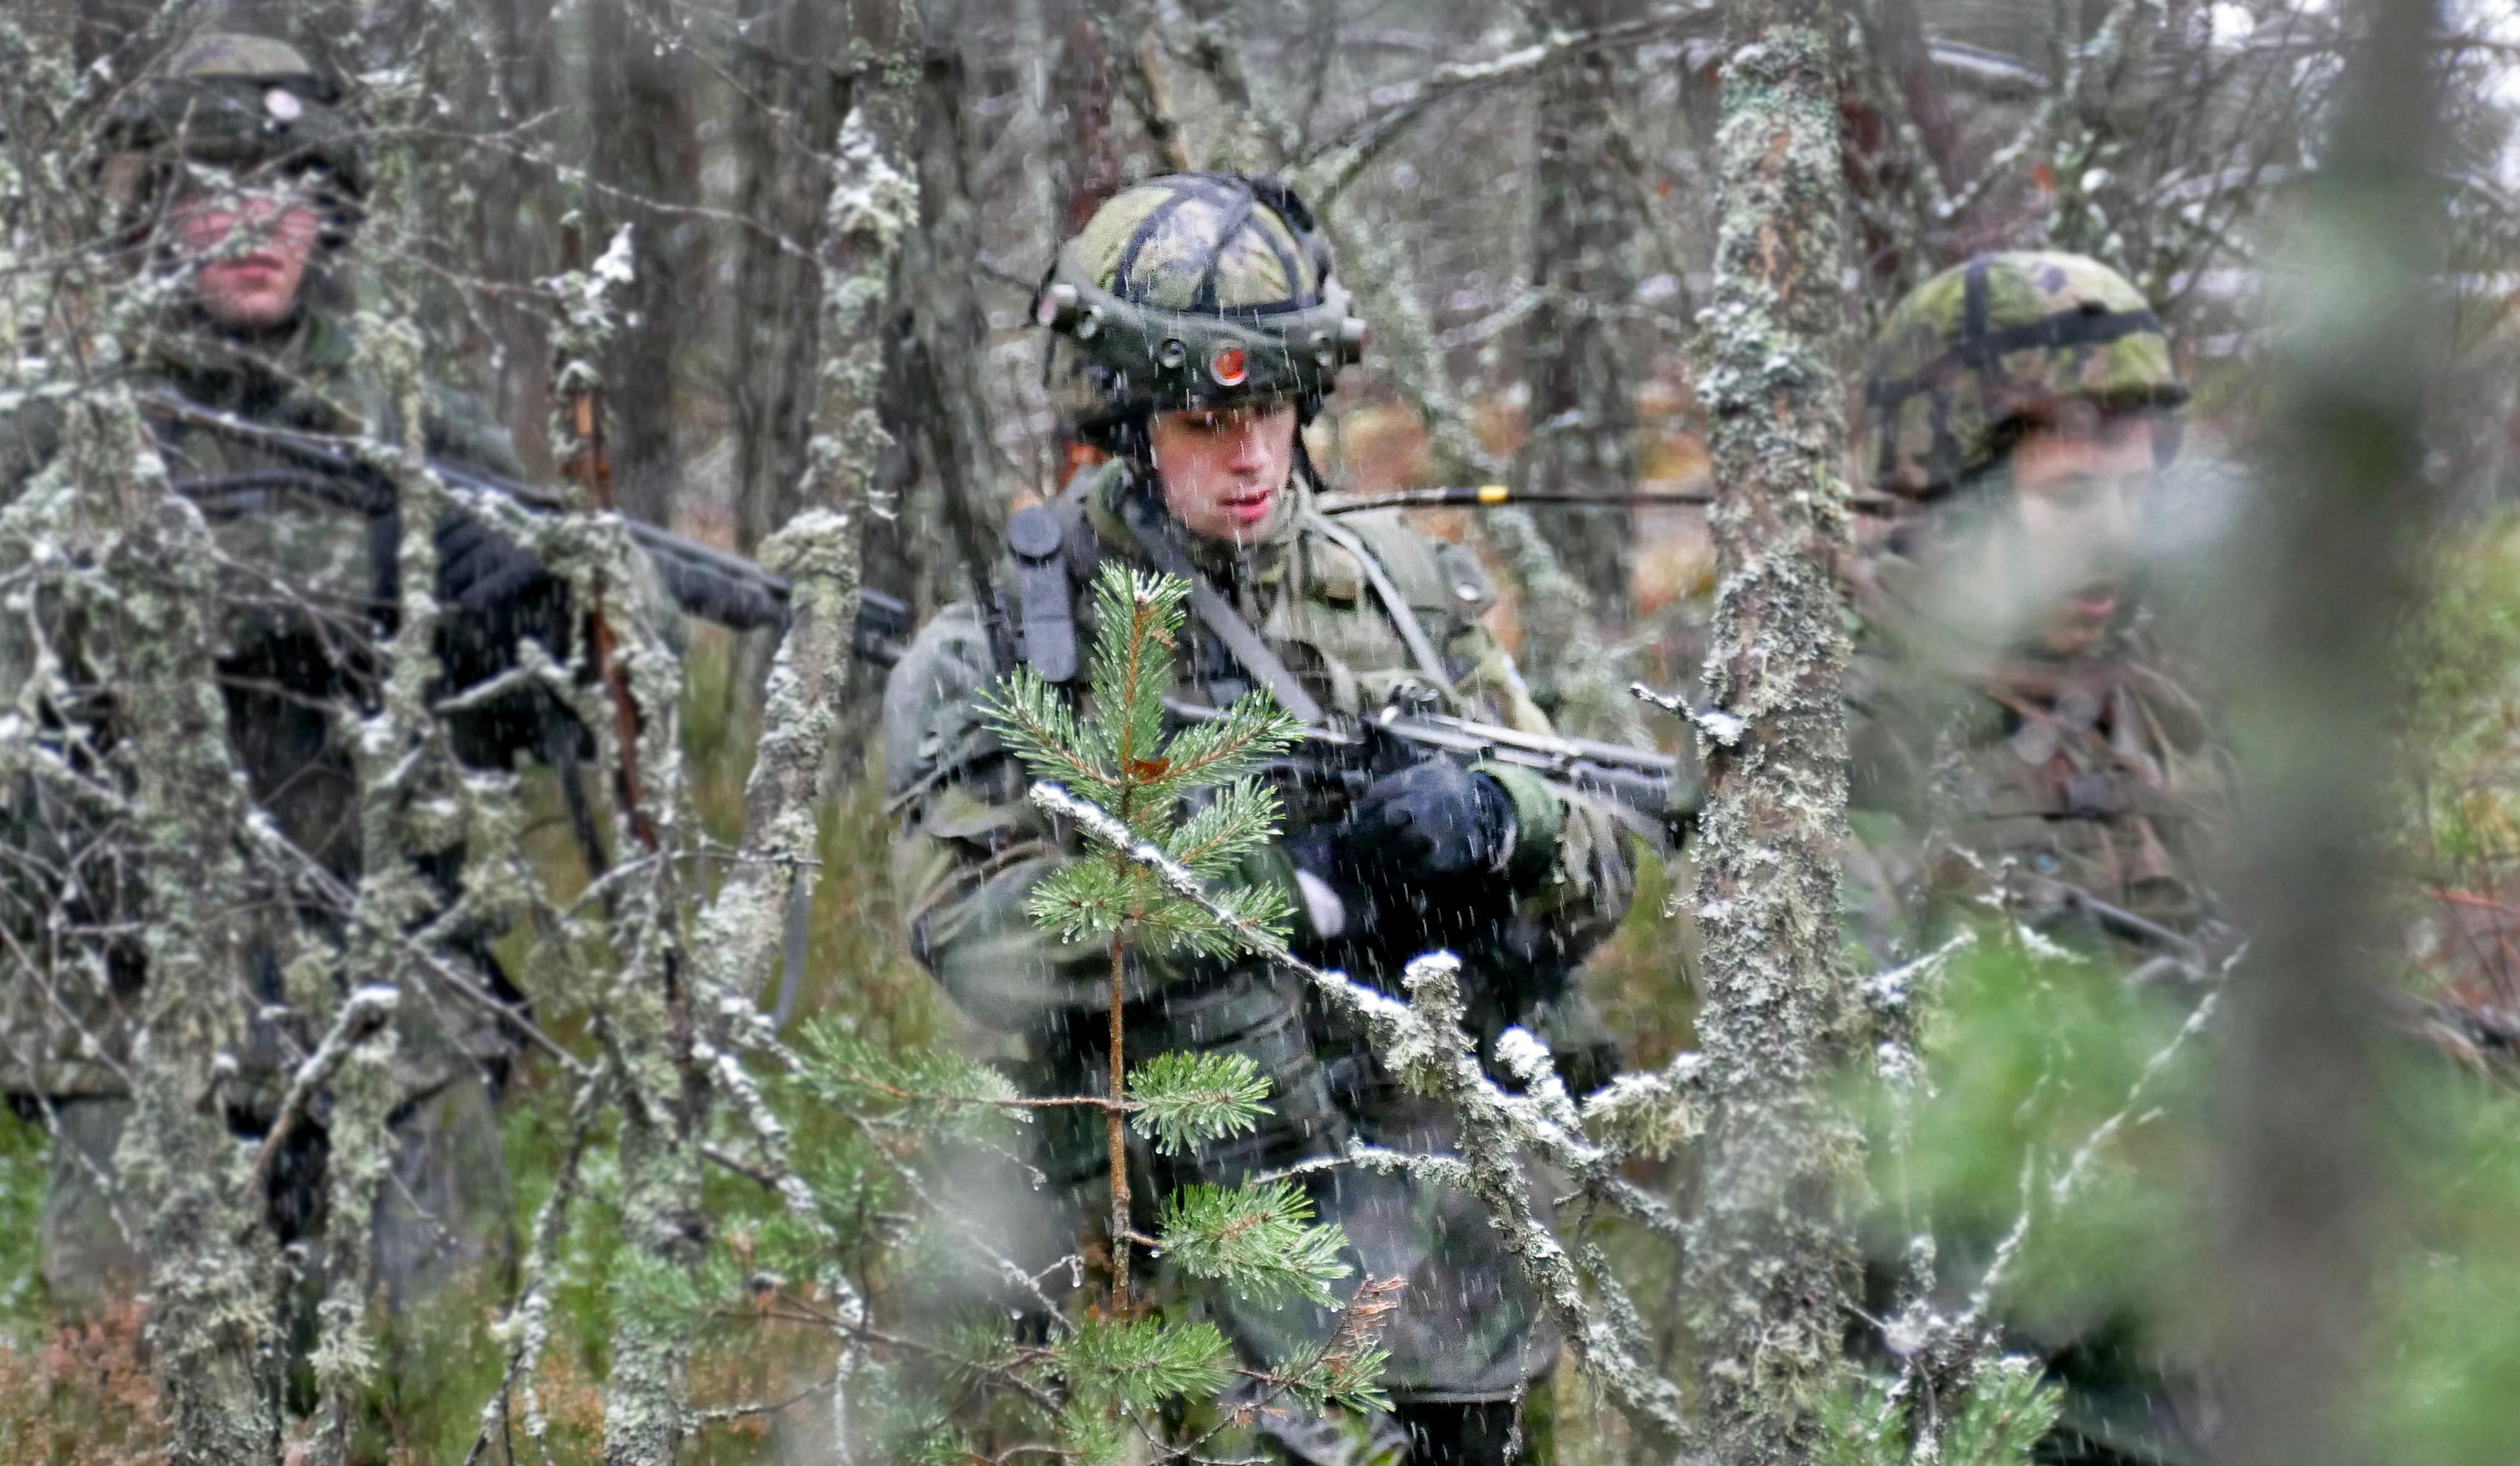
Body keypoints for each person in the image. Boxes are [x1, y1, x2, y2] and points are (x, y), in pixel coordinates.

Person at [882, 171, 1646, 1464]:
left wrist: (1500, 821)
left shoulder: (1399, 596)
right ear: (1125, 421)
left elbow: (1604, 847)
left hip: (1451, 1260)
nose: (1249, 457)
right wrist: (1293, 893)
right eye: (1202, 420)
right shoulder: (1005, 646)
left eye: (1274, 413)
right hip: (1170, 1276)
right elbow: (974, 932)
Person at [0, 32, 647, 1320]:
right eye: (212, 185)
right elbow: (83, 614)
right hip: (137, 1016)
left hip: (392, 1001)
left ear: (330, 208)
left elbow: (591, 673)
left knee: (442, 1377)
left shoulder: (413, 420)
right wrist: (357, 573)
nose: (253, 222)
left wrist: (521, 615)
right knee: (124, 1392)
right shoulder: (64, 425)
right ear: (152, 212)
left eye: (287, 185)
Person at [1846, 251, 2234, 1464]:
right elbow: (1845, 1091)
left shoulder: (2158, 708)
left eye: (2135, 494)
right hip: (1947, 1387)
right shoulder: (1841, 729)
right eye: (2070, 498)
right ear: (1949, 501)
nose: (2115, 541)